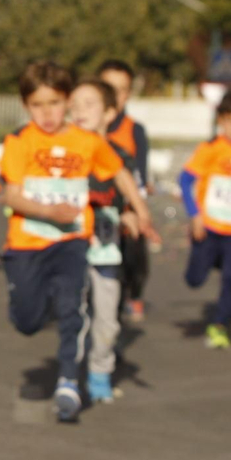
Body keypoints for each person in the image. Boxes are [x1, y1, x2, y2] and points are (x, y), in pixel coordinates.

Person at [2, 61, 151, 424]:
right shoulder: (20, 140)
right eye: (38, 105)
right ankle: (35, 302)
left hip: (72, 244)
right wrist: (48, 212)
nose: (47, 112)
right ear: (26, 106)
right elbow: (12, 196)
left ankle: (68, 381)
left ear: (67, 101)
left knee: (73, 308)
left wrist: (141, 210)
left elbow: (118, 172)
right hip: (28, 242)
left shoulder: (88, 142)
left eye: (54, 103)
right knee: (27, 320)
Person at [66, 79, 134, 406]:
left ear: (110, 112)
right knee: (74, 314)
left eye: (89, 103)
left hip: (106, 250)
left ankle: (100, 372)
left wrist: (131, 213)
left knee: (106, 318)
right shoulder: (64, 151)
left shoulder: (120, 156)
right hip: (70, 247)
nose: (80, 110)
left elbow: (129, 193)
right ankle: (69, 373)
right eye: (75, 103)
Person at [180, 91, 231, 351]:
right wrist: (195, 216)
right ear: (221, 122)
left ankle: (220, 325)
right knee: (195, 279)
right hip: (209, 225)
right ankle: (209, 260)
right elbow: (185, 180)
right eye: (230, 122)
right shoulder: (211, 149)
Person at [98, 60, 152, 322]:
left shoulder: (135, 131)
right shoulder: (80, 130)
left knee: (131, 262)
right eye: (109, 87)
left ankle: (132, 296)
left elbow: (139, 177)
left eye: (121, 89)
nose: (115, 95)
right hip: (88, 216)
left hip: (123, 214)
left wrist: (134, 210)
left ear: (128, 94)